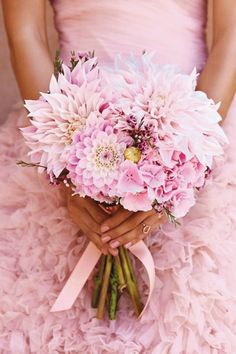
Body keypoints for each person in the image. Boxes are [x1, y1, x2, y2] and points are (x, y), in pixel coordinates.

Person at [0, 0, 236, 352]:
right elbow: (26, 33)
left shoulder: (190, 153)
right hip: (68, 126)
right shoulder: (64, 153)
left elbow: (231, 33)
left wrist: (183, 171)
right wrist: (64, 168)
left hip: (194, 125)